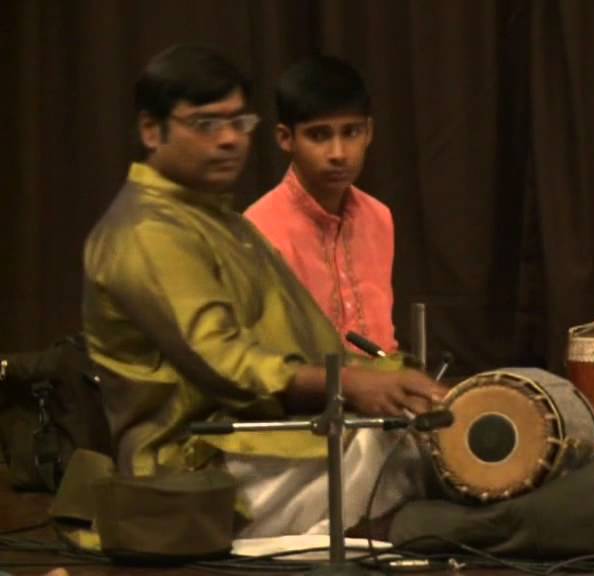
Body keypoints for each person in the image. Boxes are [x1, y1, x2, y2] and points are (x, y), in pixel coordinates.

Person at [82, 44, 447, 537]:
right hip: (197, 472)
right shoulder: (148, 232)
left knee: (440, 436)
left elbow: (306, 345)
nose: (231, 140)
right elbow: (227, 365)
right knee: (418, 465)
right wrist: (353, 385)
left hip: (261, 449)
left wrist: (397, 381)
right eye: (208, 124)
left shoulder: (218, 221)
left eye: (238, 123)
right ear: (152, 130)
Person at [245, 56, 398, 356]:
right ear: (285, 138)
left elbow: (384, 343)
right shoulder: (257, 229)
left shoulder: (379, 217)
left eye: (351, 132)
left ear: (369, 132)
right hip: (305, 399)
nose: (339, 153)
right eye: (319, 135)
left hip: (381, 390)